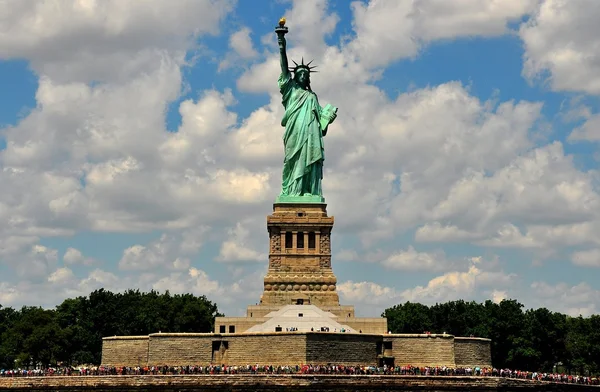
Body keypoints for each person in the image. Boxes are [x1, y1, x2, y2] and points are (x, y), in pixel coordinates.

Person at [276, 28, 337, 198]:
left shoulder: (312, 96)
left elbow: (321, 121)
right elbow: (283, 66)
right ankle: (293, 191)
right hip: (295, 131)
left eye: (306, 74)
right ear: (294, 76)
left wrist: (328, 118)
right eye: (300, 73)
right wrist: (281, 43)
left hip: (311, 134)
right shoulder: (290, 89)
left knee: (309, 159)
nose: (303, 75)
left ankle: (308, 191)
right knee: (293, 159)